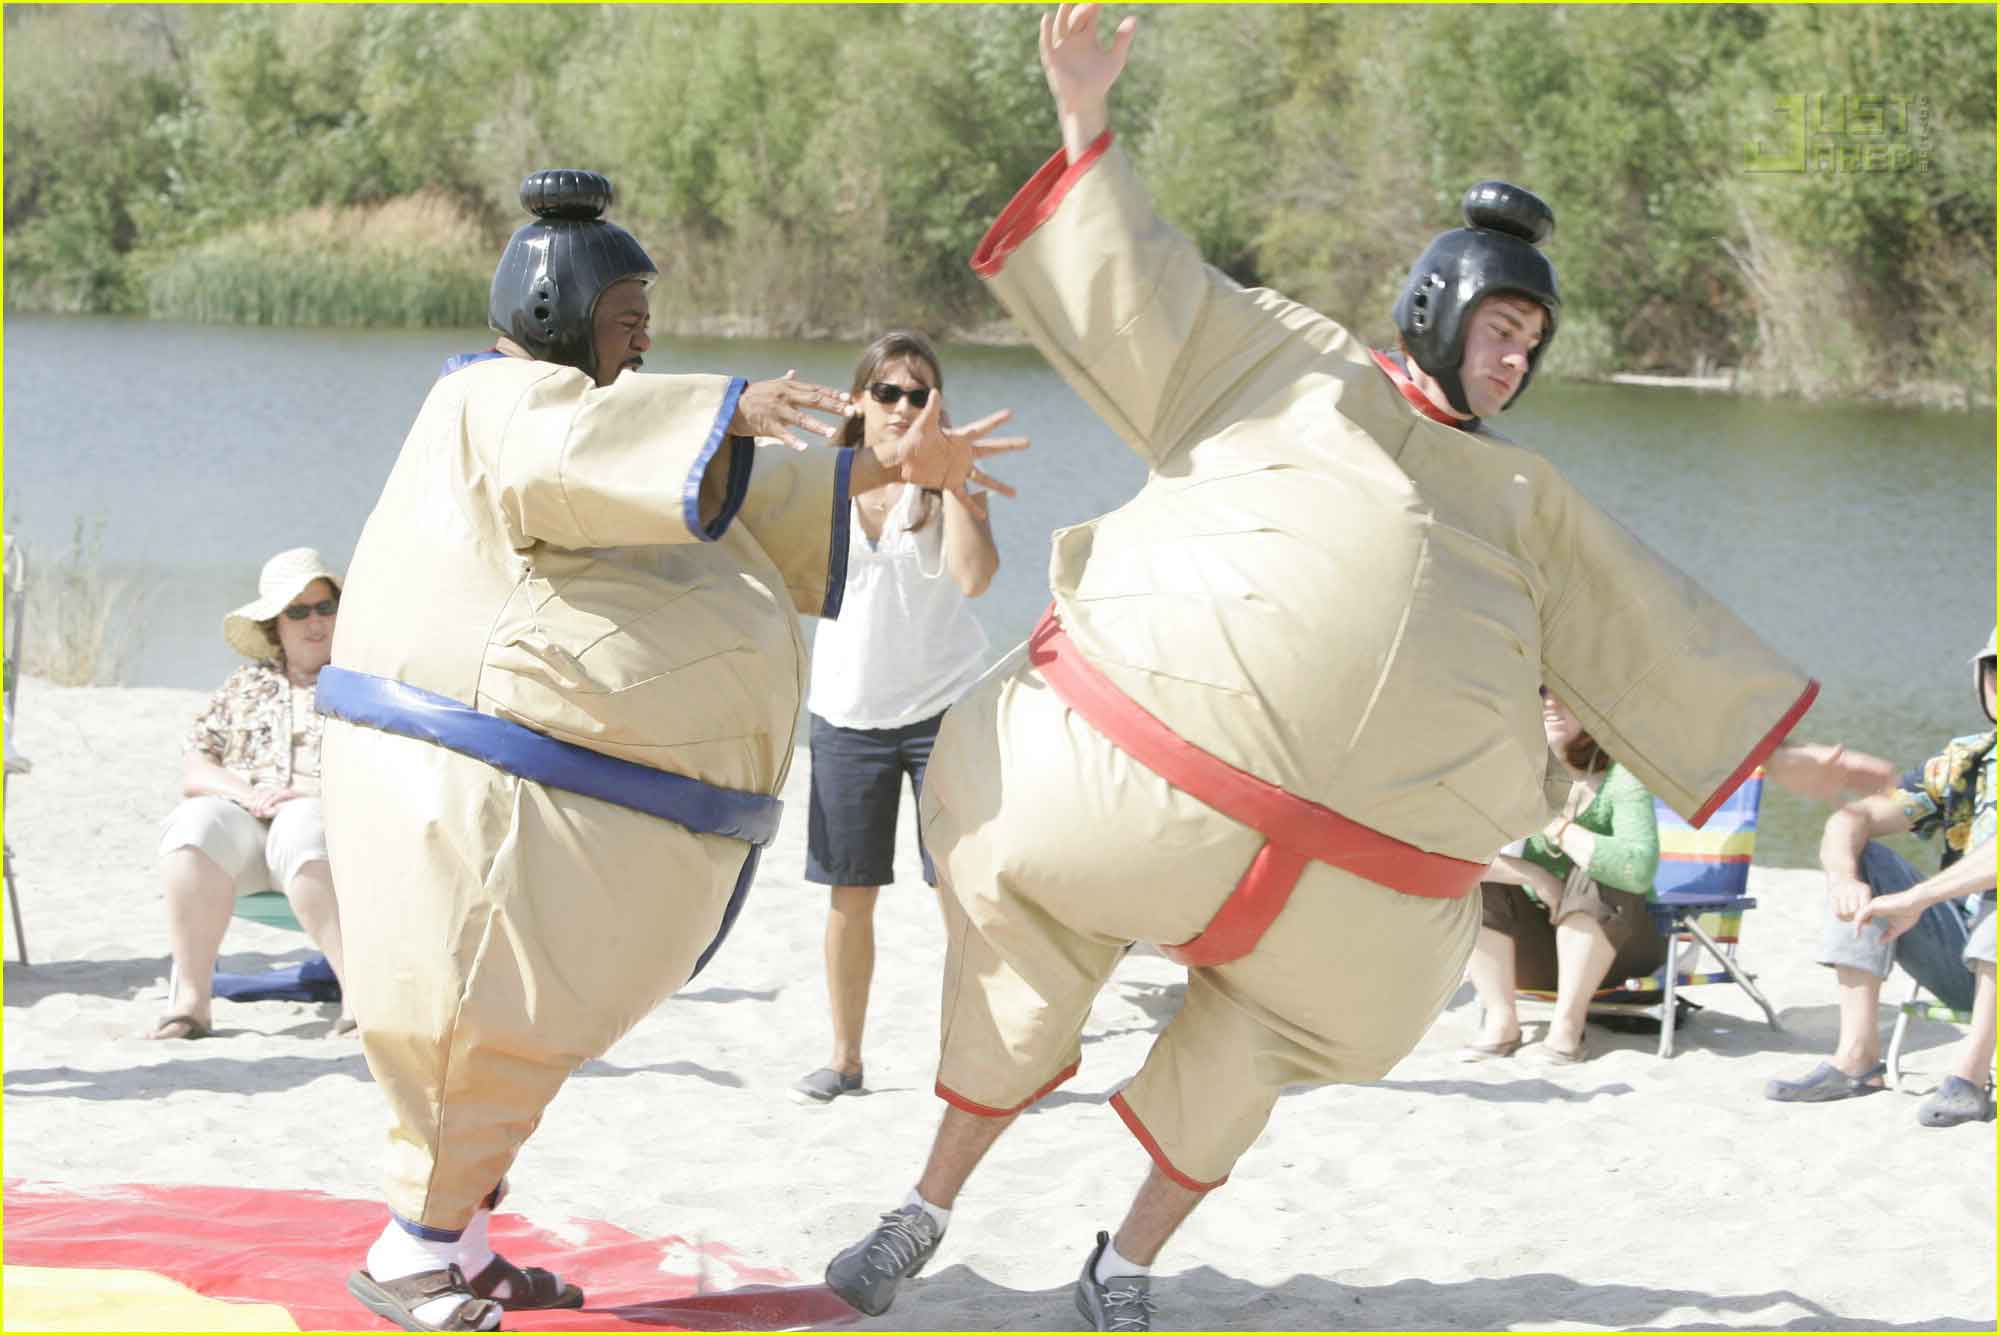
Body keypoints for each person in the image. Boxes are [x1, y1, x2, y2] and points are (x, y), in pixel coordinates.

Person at [820, 9, 1895, 1330]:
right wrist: (1084, 119)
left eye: (1532, 345)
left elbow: (1644, 639)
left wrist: (1784, 757)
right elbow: (1140, 280)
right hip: (1137, 785)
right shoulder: (1290, 364)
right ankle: (924, 1205)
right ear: (1436, 303)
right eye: (1502, 327)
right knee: (1022, 942)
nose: (1514, 359)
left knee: (1256, 1050)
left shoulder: (1525, 496)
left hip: (1343, 897)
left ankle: (1124, 1265)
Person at [317, 168, 1024, 1332]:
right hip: (476, 798)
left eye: (647, 318)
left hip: (541, 804)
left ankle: (468, 1240)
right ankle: (410, 1258)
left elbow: (742, 496)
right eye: (623, 320)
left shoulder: (616, 441)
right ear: (554, 317)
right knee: (478, 1018)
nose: (642, 341)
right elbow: (599, 442)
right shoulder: (493, 407)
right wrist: (723, 405)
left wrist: (897, 463)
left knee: (517, 1031)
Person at [793, 331, 1007, 1106]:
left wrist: (950, 485)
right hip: (846, 715)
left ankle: (976, 1059)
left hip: (940, 711)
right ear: (858, 401)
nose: (905, 406)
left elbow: (977, 578)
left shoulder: (954, 480)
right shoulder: (828, 482)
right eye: (888, 391)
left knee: (959, 891)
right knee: (849, 896)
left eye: (921, 393)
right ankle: (846, 1061)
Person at [1766, 627, 1997, 1127]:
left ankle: (1969, 1078)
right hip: (1965, 958)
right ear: (1981, 680)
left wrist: (1919, 897)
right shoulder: (1967, 763)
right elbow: (1850, 819)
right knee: (1864, 857)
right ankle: (1857, 1060)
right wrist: (1844, 879)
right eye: (1996, 669)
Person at [147, 547, 352, 1041]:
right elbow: (196, 766)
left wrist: (308, 798)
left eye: (325, 607)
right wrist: (250, 793)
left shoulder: (364, 683)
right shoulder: (245, 686)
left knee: (303, 822)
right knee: (194, 824)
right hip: (250, 833)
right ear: (274, 626)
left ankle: (360, 1001)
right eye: (298, 612)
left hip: (332, 839)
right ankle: (191, 1005)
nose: (315, 622)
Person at [1462, 688, 1667, 1064]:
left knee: (1597, 870)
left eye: (1566, 694)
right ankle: (1501, 1021)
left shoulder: (1621, 777)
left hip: (1624, 954)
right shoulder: (1513, 774)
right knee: (1479, 879)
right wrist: (1534, 875)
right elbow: (1456, 858)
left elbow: (1637, 870)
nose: (1551, 703)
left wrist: (1555, 825)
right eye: (1539, 693)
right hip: (1539, 956)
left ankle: (1567, 1030)